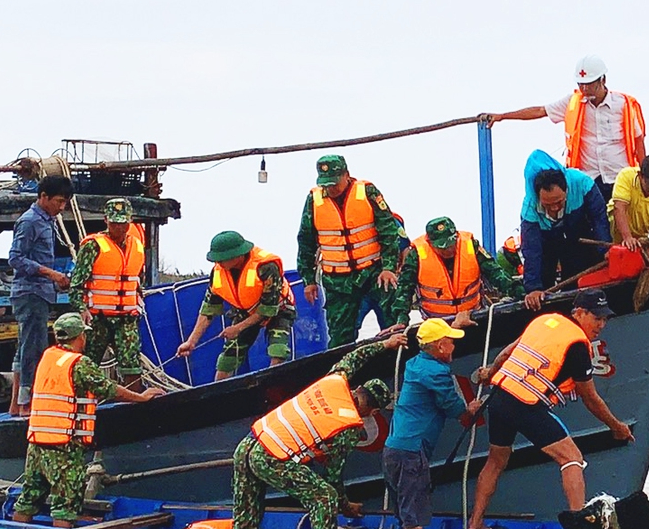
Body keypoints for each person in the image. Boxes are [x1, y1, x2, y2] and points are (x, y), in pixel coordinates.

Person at [463, 289, 633, 529]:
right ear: (579, 313)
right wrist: (616, 427)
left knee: (496, 460)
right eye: (597, 318)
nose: (601, 325)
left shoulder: (543, 321)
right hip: (525, 403)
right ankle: (580, 525)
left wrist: (491, 371)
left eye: (605, 319)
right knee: (572, 457)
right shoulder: (577, 344)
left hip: (499, 397)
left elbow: (506, 353)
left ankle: (475, 525)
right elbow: (590, 399)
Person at [230, 336, 398, 529]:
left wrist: (385, 344)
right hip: (269, 458)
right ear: (373, 411)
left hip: (248, 444)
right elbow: (333, 478)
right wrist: (346, 507)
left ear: (357, 389)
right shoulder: (347, 427)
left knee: (248, 509)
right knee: (325, 496)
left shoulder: (334, 380)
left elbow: (355, 357)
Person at [12, 313, 164, 526]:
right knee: (65, 505)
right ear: (80, 336)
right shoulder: (79, 363)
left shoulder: (48, 357)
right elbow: (109, 389)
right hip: (63, 446)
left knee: (29, 497)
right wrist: (140, 398)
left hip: (37, 443)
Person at [485, 56, 648, 194]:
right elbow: (540, 111)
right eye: (580, 84)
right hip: (587, 180)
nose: (584, 88)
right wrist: (502, 117)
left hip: (619, 179)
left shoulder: (624, 105)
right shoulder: (572, 103)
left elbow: (638, 141)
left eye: (589, 83)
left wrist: (645, 175)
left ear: (602, 79)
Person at [384, 317, 481, 529]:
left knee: (404, 511)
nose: (454, 347)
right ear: (440, 345)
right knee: (414, 516)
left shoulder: (414, 364)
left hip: (393, 450)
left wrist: (454, 325)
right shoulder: (436, 372)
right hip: (411, 453)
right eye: (450, 342)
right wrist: (470, 410)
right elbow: (452, 406)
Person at [299, 154, 408, 347]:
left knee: (394, 325)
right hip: (338, 282)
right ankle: (341, 374)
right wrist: (309, 280)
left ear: (346, 175)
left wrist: (389, 267)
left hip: (374, 273)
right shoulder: (313, 200)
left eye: (334, 183)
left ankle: (396, 369)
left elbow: (389, 232)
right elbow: (306, 242)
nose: (330, 189)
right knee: (340, 338)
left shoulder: (367, 192)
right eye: (326, 184)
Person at [176, 231, 293, 380]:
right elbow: (208, 310)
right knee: (226, 360)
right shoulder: (218, 273)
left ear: (237, 256)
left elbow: (267, 310)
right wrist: (191, 342)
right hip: (246, 311)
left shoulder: (266, 267)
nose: (218, 263)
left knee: (278, 350)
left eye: (222, 259)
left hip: (278, 309)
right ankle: (218, 395)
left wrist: (237, 328)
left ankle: (273, 387)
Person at [8, 174, 73, 416]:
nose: (62, 207)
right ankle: (27, 404)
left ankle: (16, 405)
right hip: (30, 292)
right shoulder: (30, 221)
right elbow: (15, 258)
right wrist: (51, 274)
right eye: (58, 201)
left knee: (24, 347)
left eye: (65, 202)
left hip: (42, 292)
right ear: (43, 196)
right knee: (34, 348)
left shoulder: (48, 220)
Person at [68, 198, 147, 387]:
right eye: (115, 223)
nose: (119, 228)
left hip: (127, 319)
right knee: (88, 365)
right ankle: (83, 405)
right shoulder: (93, 246)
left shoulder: (137, 246)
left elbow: (137, 280)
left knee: (132, 366)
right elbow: (76, 284)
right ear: (106, 220)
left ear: (130, 221)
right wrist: (82, 310)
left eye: (123, 223)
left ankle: (134, 405)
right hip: (98, 319)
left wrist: (138, 299)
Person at [518, 150, 610, 309]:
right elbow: (532, 250)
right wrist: (533, 288)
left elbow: (599, 220)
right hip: (547, 239)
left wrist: (605, 249)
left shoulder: (582, 183)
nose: (554, 208)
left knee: (583, 270)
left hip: (579, 232)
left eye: (559, 202)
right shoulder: (529, 208)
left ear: (566, 190)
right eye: (548, 204)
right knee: (544, 279)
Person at [398, 217, 518, 324]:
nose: (449, 250)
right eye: (443, 247)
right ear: (430, 243)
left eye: (451, 244)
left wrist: (518, 292)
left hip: (472, 317)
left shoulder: (471, 246)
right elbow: (404, 289)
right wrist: (401, 319)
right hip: (437, 324)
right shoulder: (416, 255)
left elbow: (495, 273)